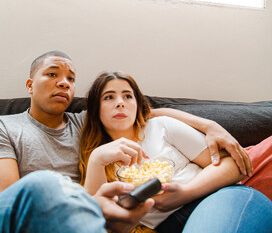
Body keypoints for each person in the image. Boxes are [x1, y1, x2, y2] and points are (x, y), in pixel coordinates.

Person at [0, 51, 254, 232]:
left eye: (70, 78)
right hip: (44, 218)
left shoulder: (82, 123)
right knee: (43, 184)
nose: (64, 82)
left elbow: (138, 115)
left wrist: (209, 124)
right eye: (53, 74)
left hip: (204, 203)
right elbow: (6, 203)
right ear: (30, 85)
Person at [79, 71, 272, 233]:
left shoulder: (160, 126)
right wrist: (96, 160)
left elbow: (234, 165)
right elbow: (99, 224)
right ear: (96, 110)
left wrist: (185, 193)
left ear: (137, 104)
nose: (120, 102)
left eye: (128, 96)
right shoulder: (99, 158)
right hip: (168, 227)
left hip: (216, 199)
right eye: (109, 97)